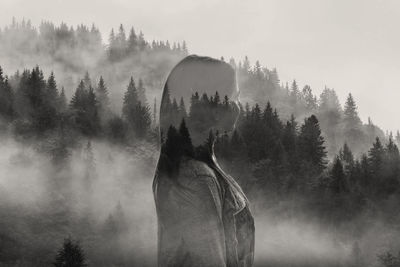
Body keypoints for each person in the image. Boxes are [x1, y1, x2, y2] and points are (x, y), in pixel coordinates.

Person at [153, 55, 254, 267]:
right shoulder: (196, 179)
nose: (238, 107)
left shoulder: (198, 170)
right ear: (210, 105)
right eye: (234, 97)